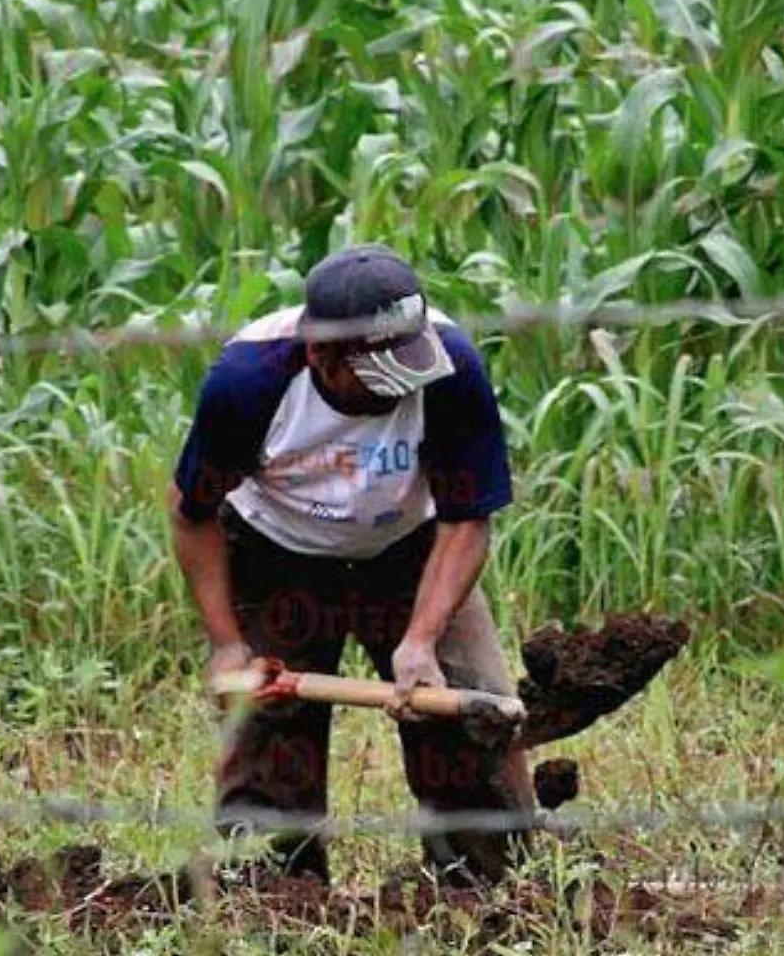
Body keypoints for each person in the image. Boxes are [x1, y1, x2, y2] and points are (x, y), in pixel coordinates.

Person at [167, 243, 538, 887]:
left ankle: (488, 888)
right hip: (274, 551)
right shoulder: (249, 380)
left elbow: (465, 521)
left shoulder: (450, 368)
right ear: (322, 355)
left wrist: (420, 639)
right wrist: (227, 644)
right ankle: (275, 894)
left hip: (410, 549)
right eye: (381, 374)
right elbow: (192, 513)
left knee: (464, 712)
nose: (403, 389)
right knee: (268, 732)